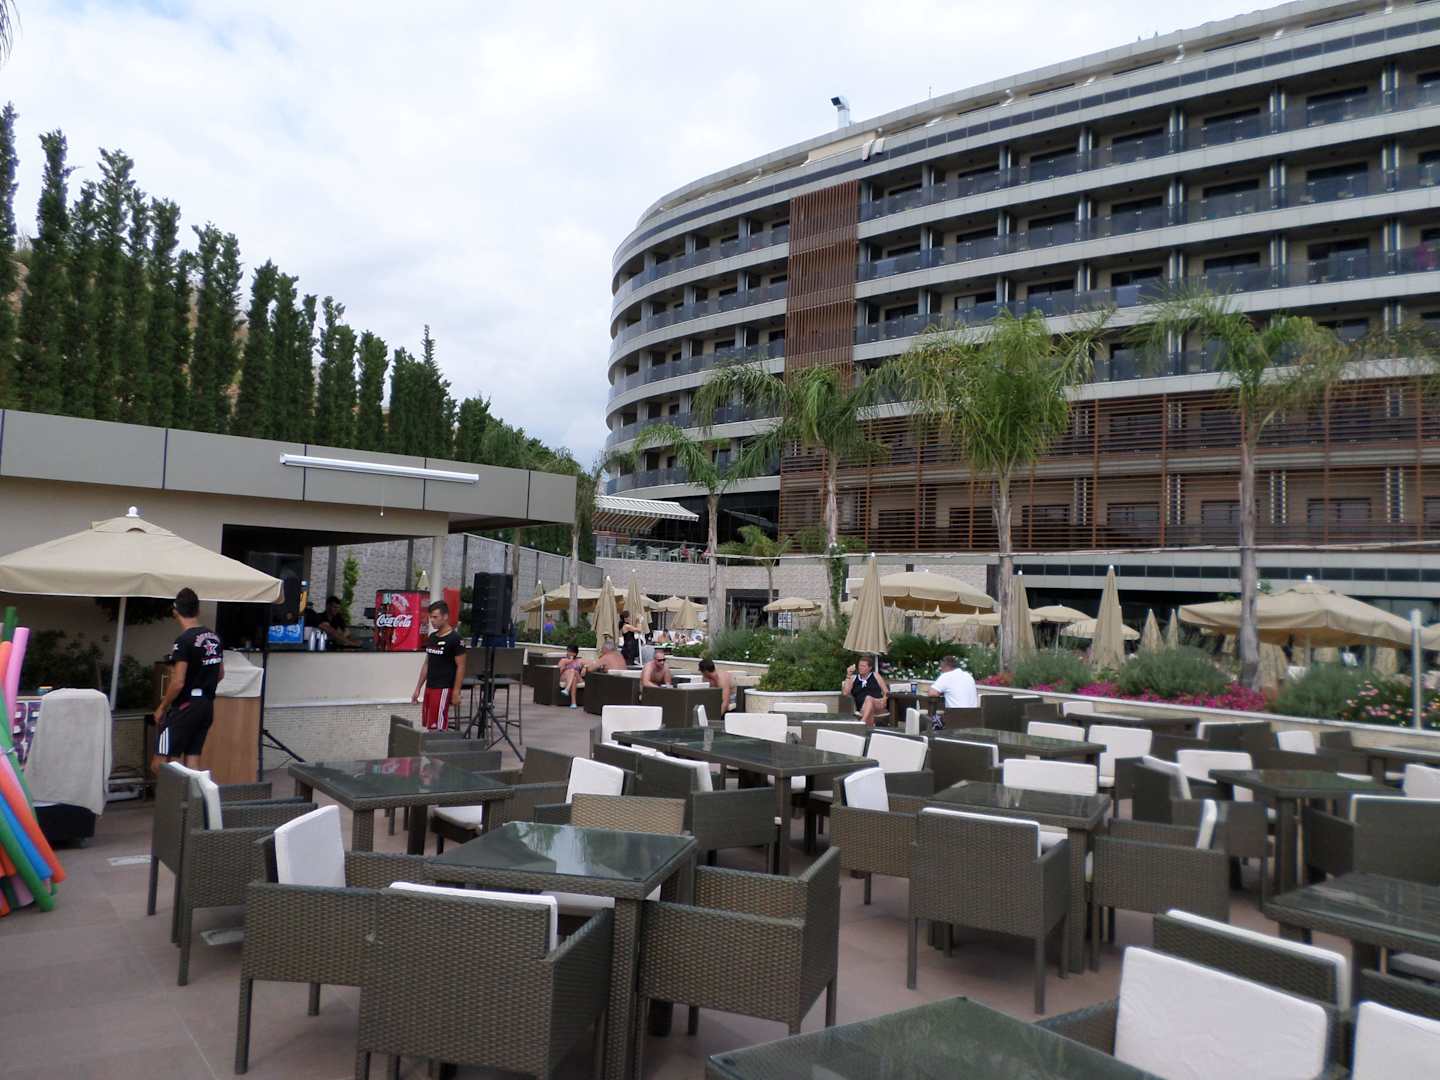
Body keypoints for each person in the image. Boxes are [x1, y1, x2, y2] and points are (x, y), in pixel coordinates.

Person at [151, 587, 225, 773]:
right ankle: (200, 793)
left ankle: (173, 793)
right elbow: (220, 674)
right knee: (192, 763)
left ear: (175, 611)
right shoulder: (214, 637)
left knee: (160, 764)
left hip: (185, 706)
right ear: (198, 610)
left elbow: (178, 682)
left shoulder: (183, 640)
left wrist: (162, 707)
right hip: (206, 705)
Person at [410, 600, 466, 731]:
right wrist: (418, 688)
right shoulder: (432, 637)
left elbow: (461, 666)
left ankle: (440, 743)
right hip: (430, 686)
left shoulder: (455, 639)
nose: (432, 621)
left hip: (443, 687)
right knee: (430, 725)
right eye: (430, 617)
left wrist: (456, 691)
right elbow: (427, 663)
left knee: (439, 727)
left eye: (435, 617)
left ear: (445, 616)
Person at [927, 654, 977, 731]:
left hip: (955, 719)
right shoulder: (968, 676)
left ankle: (930, 737)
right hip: (973, 718)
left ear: (944, 666)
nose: (941, 670)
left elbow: (932, 693)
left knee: (929, 719)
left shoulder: (947, 676)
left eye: (941, 668)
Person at [843, 655, 889, 726]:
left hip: (878, 703)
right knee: (868, 708)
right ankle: (868, 728)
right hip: (862, 707)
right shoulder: (853, 678)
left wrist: (884, 700)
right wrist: (848, 675)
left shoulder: (875, 675)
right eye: (859, 665)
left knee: (868, 698)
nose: (860, 668)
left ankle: (862, 721)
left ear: (870, 668)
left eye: (863, 666)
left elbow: (886, 692)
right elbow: (845, 693)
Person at [557, 643, 586, 708]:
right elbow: (558, 672)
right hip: (564, 678)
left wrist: (585, 667)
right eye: (568, 651)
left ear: (575, 653)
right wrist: (565, 665)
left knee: (573, 672)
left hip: (579, 679)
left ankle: (567, 689)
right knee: (573, 678)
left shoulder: (579, 661)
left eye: (570, 652)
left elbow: (593, 663)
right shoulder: (563, 660)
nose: (568, 653)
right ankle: (573, 703)